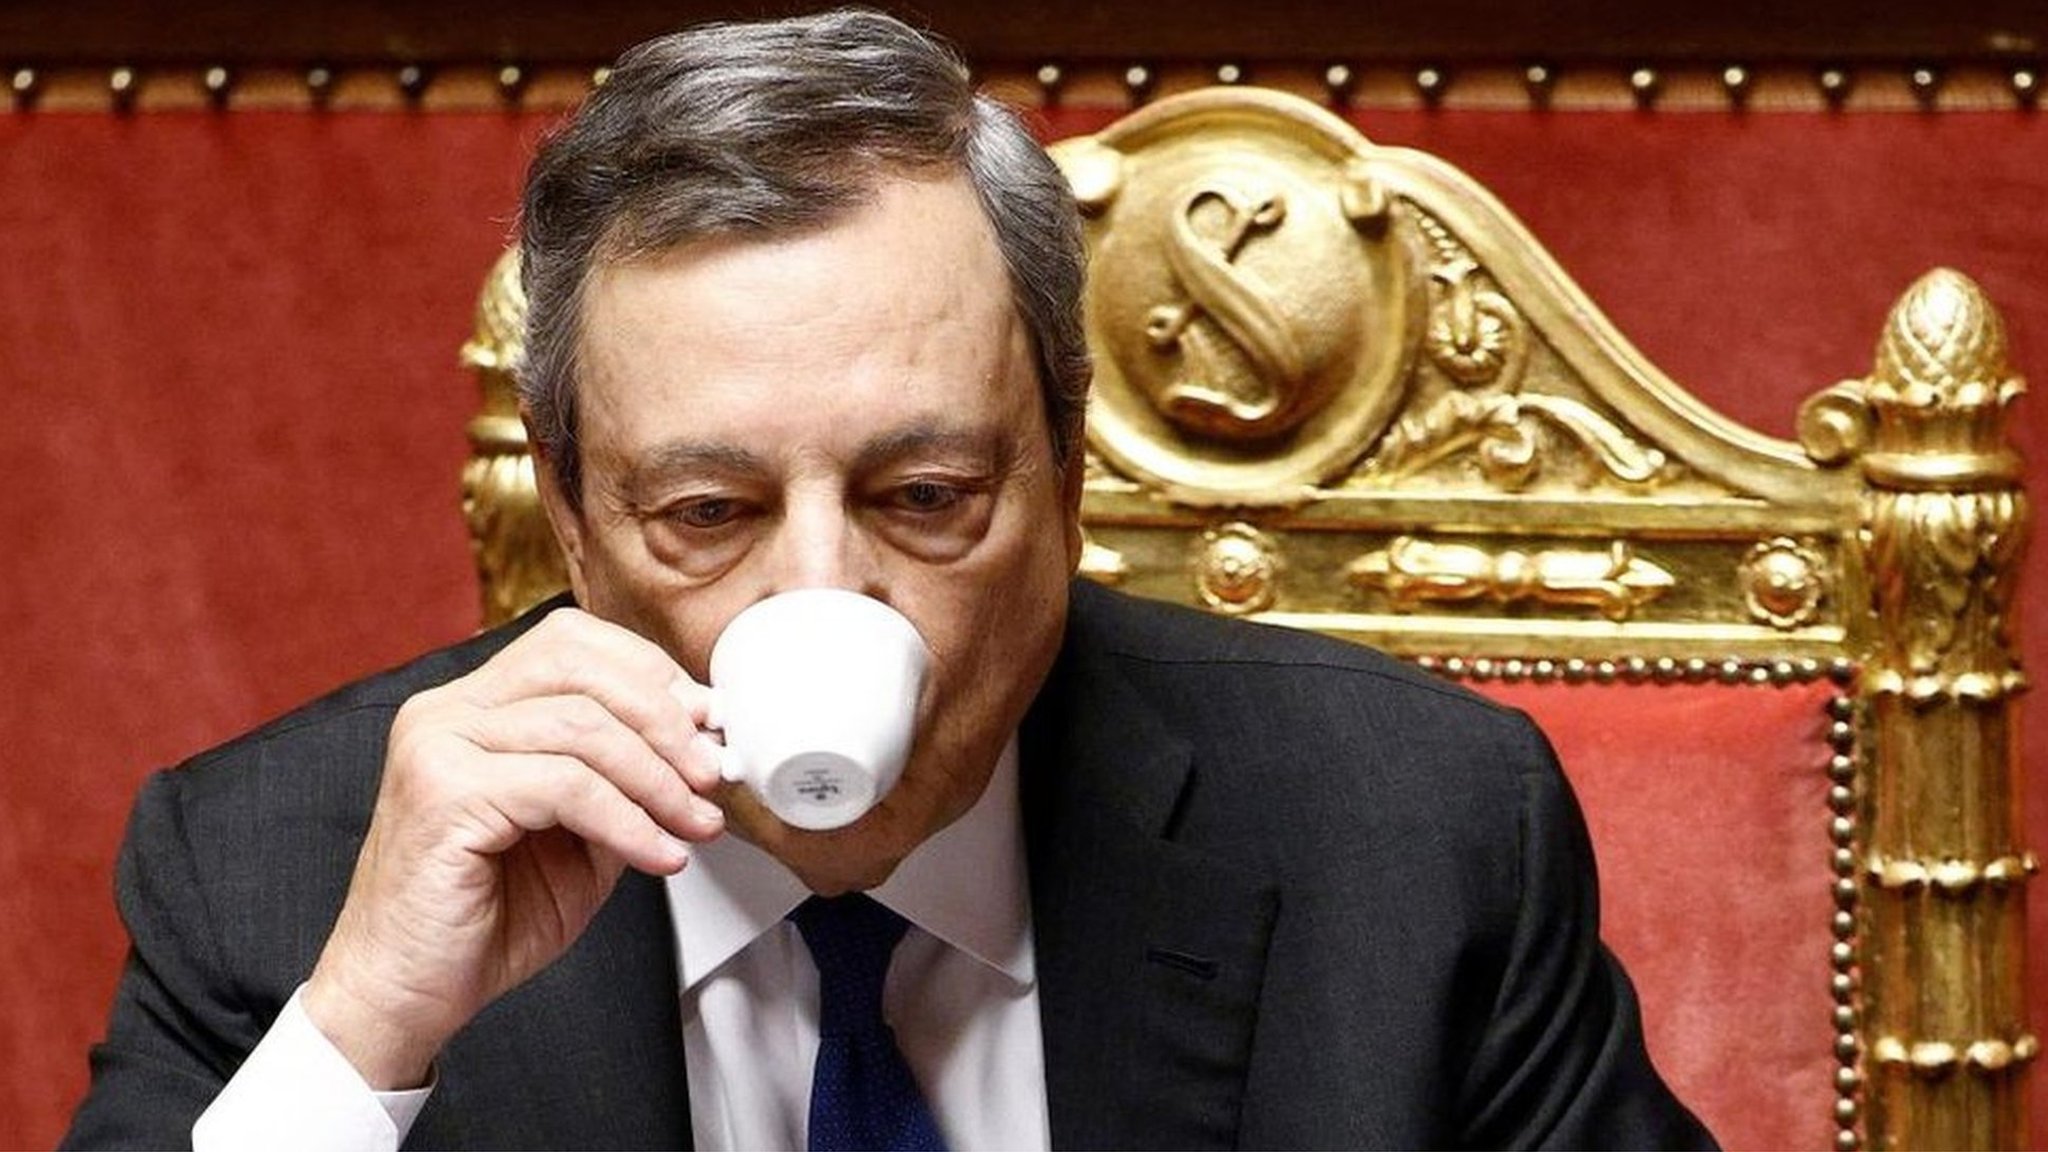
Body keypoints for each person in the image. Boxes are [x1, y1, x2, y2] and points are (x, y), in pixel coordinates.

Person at [64, 9, 1714, 1150]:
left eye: (926, 497)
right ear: (569, 519)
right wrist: (361, 1040)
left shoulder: (1412, 835)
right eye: (707, 512)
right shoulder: (281, 878)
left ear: (1067, 476)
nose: (823, 592)